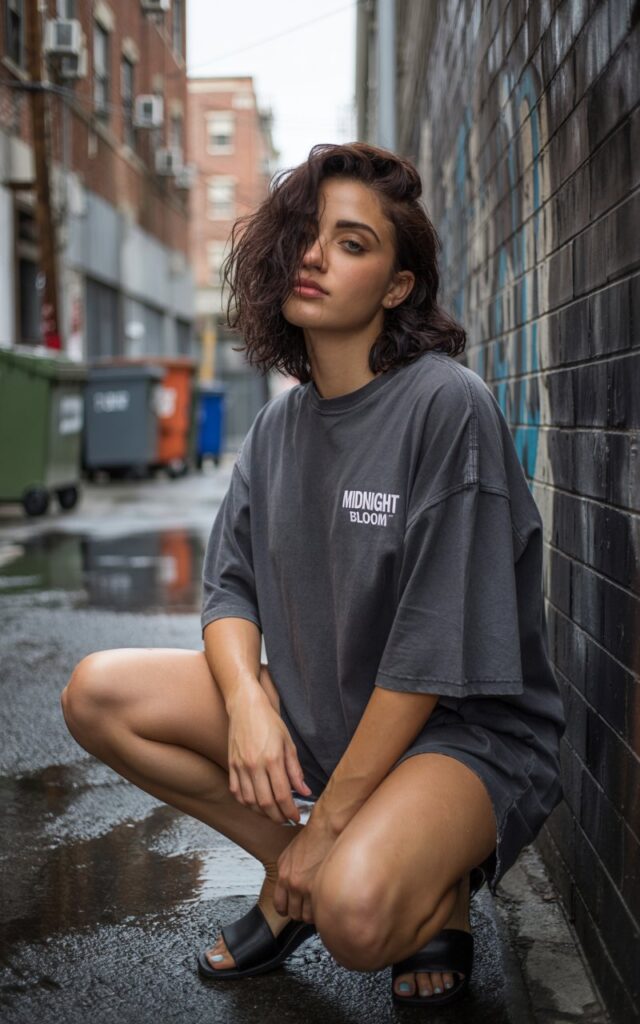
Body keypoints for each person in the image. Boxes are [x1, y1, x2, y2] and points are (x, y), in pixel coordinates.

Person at [61, 142, 566, 1009]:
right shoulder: (277, 426)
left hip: (457, 738)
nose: (314, 256)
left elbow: (428, 653)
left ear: (398, 286)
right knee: (96, 694)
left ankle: (405, 887)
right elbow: (229, 591)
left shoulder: (447, 407)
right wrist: (252, 706)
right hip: (315, 713)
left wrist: (324, 830)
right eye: (305, 233)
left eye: (353, 243)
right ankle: (292, 873)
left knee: (358, 924)